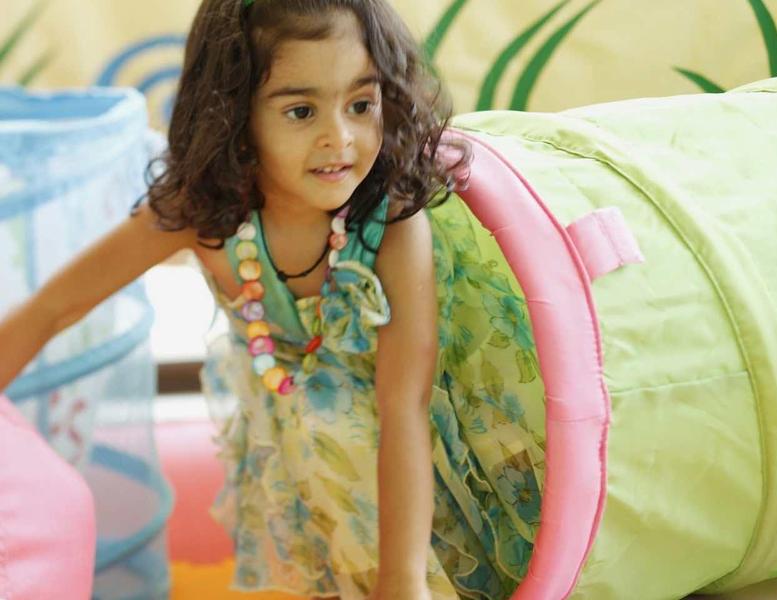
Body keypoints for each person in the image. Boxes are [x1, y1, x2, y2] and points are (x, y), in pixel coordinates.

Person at [0, 0, 548, 598]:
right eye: (301, 110)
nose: (338, 138)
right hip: (318, 457)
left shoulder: (389, 217)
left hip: (432, 441)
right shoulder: (202, 214)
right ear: (234, 115)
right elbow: (52, 308)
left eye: (362, 105)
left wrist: (404, 581)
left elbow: (404, 406)